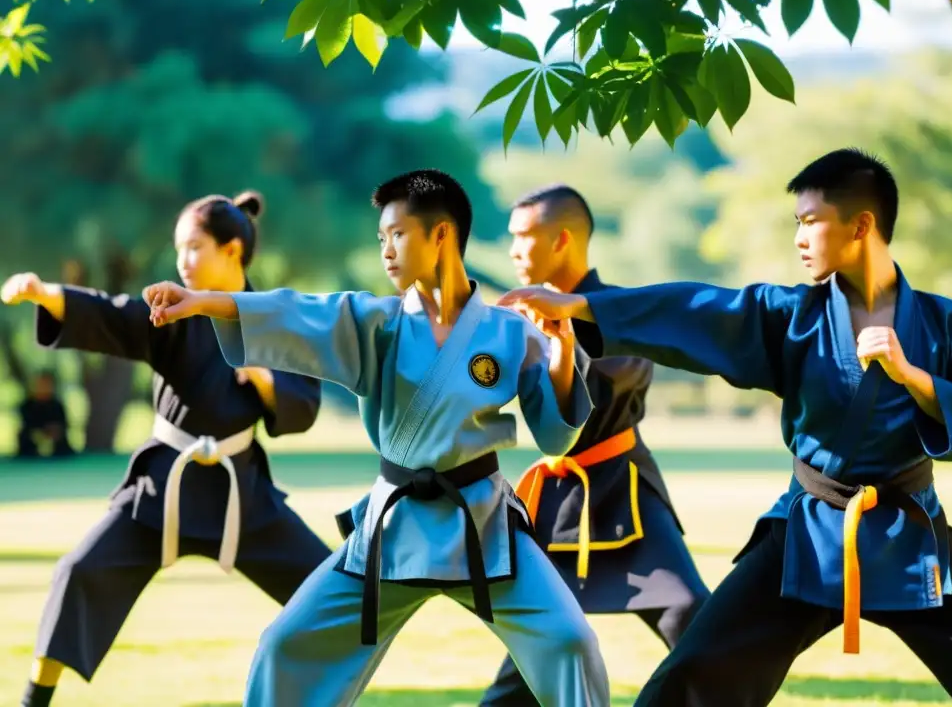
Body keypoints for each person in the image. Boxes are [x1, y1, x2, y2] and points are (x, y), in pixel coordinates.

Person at [497, 149, 952, 706]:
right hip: (810, 535)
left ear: (862, 224)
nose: (798, 236)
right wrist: (580, 304)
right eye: (796, 221)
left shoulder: (949, 325)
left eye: (811, 221)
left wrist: (912, 375)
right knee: (690, 678)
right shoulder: (791, 317)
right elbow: (697, 309)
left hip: (912, 538)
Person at [141, 169, 611, 707]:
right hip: (393, 530)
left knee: (571, 642)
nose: (386, 251)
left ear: (442, 236)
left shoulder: (510, 332)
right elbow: (295, 312)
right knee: (283, 645)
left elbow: (556, 436)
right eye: (381, 238)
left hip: (483, 529)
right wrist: (203, 301)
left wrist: (561, 360)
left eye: (398, 235)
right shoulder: (373, 322)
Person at [2, 191, 333, 707]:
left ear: (232, 251)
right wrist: (47, 294)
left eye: (195, 246)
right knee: (78, 574)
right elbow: (116, 316)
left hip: (239, 498)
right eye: (179, 248)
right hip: (160, 492)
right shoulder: (170, 312)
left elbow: (303, 404)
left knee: (331, 592)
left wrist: (263, 380)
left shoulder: (275, 322)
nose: (183, 260)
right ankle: (31, 701)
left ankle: (330, 696)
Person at [479, 185, 710, 706]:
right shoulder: (516, 323)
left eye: (523, 237)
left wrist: (557, 340)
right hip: (557, 498)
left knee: (692, 617)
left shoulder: (619, 311)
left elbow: (617, 378)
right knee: (531, 650)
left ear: (562, 239)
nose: (513, 249)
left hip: (625, 487)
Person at [16, 370, 75, 459]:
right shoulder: (27, 406)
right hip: (30, 451)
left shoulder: (57, 406)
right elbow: (26, 428)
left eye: (47, 384)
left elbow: (63, 426)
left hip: (58, 451)